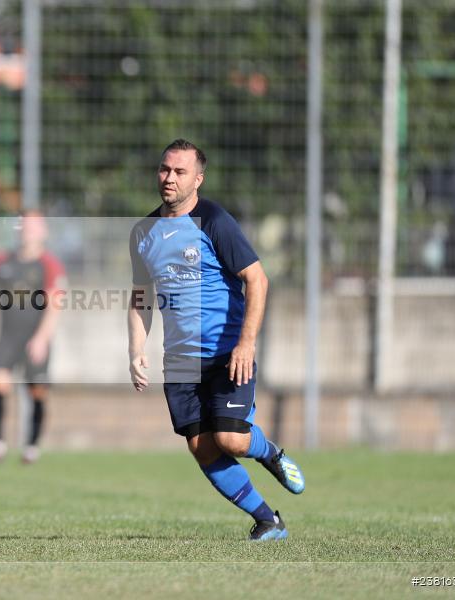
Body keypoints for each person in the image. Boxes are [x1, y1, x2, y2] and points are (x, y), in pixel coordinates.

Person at [127, 139, 304, 541]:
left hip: (228, 353)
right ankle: (268, 521)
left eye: (180, 172)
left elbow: (257, 280)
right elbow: (141, 297)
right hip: (181, 361)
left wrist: (246, 343)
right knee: (203, 448)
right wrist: (136, 349)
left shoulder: (214, 221)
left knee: (232, 440)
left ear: (198, 179)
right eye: (165, 169)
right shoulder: (143, 233)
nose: (169, 178)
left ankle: (269, 452)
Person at [0, 211, 65, 465]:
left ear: (43, 231)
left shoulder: (49, 264)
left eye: (33, 226)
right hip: (7, 336)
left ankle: (31, 446)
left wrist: (41, 339)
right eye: (24, 225)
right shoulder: (2, 260)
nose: (27, 230)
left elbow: (55, 305)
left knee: (37, 392)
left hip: (35, 337)